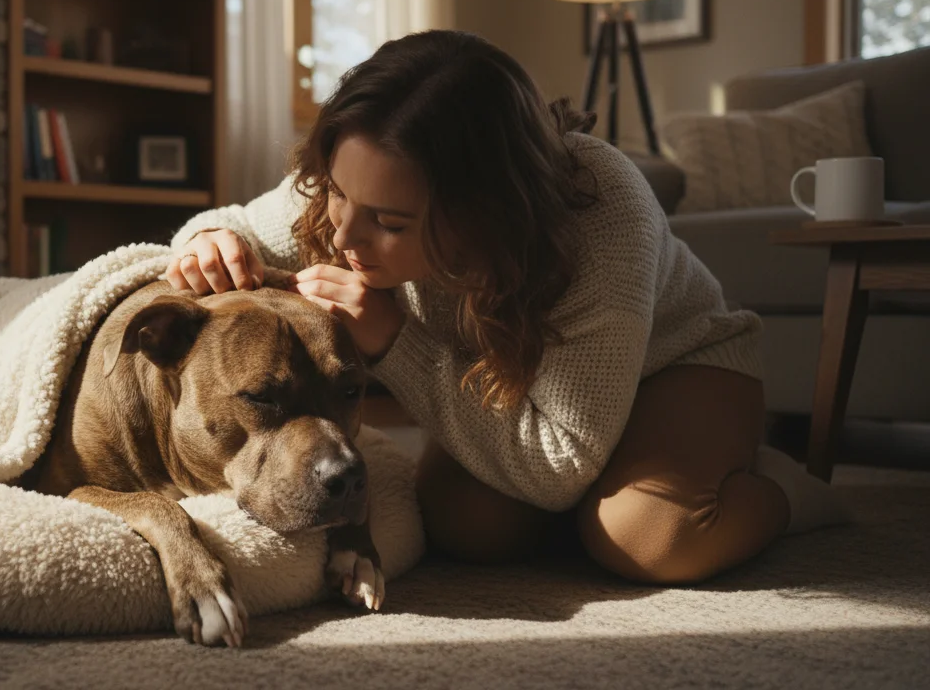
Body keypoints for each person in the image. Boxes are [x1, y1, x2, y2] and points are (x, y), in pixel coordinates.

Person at [164, 30, 846, 584]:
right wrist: (207, 241)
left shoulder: (607, 213)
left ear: (483, 216)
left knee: (646, 538)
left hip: (677, 371)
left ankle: (788, 491)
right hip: (530, 405)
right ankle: (594, 509)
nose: (343, 235)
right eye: (339, 193)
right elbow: (234, 223)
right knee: (465, 525)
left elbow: (555, 468)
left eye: (391, 223)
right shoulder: (361, 180)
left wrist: (394, 340)